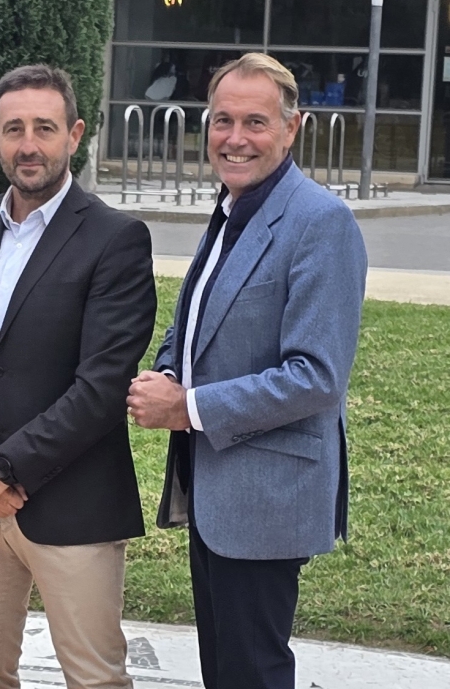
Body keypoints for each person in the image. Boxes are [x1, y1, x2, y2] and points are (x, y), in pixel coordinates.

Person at [127, 53, 368, 689]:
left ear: (293, 128)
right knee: (227, 671)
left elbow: (316, 375)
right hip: (216, 486)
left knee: (251, 673)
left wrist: (187, 406)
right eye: (223, 120)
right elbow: (198, 320)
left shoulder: (320, 221)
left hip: (265, 497)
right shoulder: (236, 205)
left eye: (255, 122)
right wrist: (167, 368)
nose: (235, 138)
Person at [0, 65, 157, 689]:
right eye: (14, 128)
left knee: (95, 677)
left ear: (74, 134)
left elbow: (102, 385)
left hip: (74, 505)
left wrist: (7, 468)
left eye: (44, 128)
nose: (29, 144)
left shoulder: (117, 240)